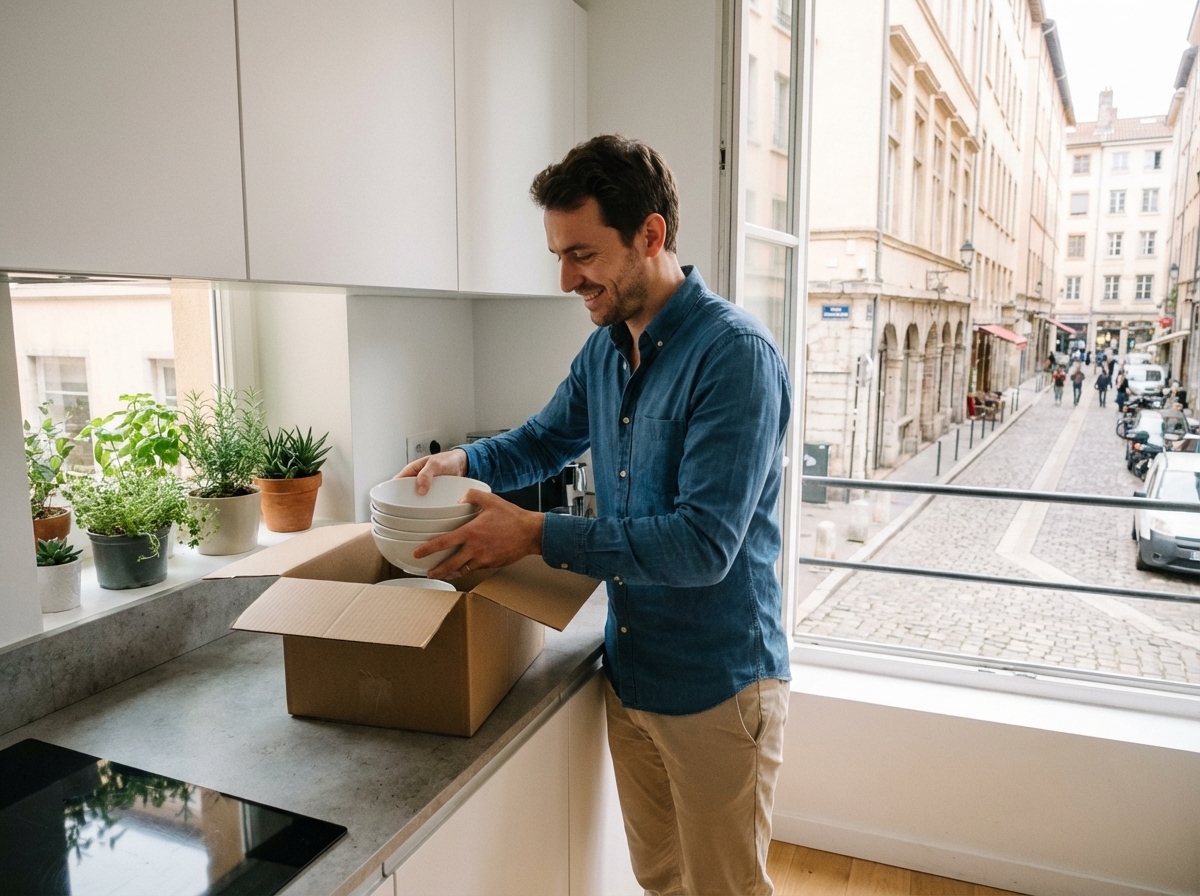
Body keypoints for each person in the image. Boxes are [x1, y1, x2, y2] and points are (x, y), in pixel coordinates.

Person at [398, 136, 792, 895]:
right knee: (662, 881)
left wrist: (536, 533)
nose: (565, 277)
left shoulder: (734, 356)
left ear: (651, 235)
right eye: (557, 253)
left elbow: (701, 546)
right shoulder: (608, 350)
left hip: (718, 686)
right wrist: (461, 462)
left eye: (581, 253)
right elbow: (546, 439)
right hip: (632, 671)